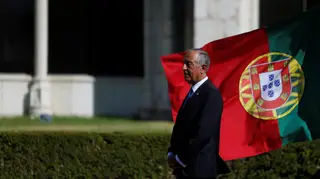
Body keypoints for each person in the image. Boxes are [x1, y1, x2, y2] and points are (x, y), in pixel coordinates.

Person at [167, 49, 231, 178]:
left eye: (189, 64)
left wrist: (181, 159)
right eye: (184, 64)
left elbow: (203, 134)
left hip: (199, 169)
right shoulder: (193, 93)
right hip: (185, 169)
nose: (183, 68)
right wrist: (172, 153)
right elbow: (181, 128)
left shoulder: (210, 94)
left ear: (203, 68)